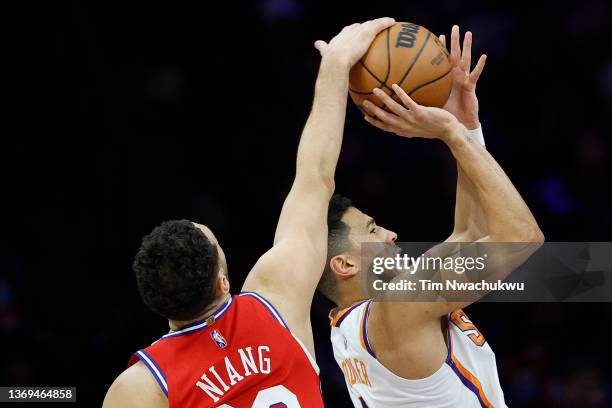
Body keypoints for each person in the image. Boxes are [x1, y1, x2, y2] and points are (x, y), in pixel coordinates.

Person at [102, 17, 397, 408]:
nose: (390, 235)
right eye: (374, 229)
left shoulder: (139, 387)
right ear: (223, 283)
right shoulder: (275, 299)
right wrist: (335, 66)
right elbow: (315, 176)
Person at [319, 26, 544, 407]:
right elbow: (523, 238)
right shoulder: (399, 306)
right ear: (343, 264)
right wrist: (450, 134)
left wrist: (466, 127)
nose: (391, 234)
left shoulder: (357, 323)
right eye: (372, 230)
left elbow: (471, 233)